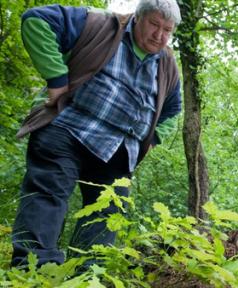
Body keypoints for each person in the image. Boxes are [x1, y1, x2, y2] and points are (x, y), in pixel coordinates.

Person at [11, 0, 182, 267]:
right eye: (154, 24)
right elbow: (36, 21)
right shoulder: (100, 25)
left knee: (105, 215)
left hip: (118, 151)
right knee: (48, 195)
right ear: (138, 17)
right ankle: (33, 271)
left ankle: (87, 278)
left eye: (167, 30)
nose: (159, 35)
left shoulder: (168, 65)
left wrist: (154, 139)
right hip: (68, 129)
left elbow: (173, 109)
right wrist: (56, 80)